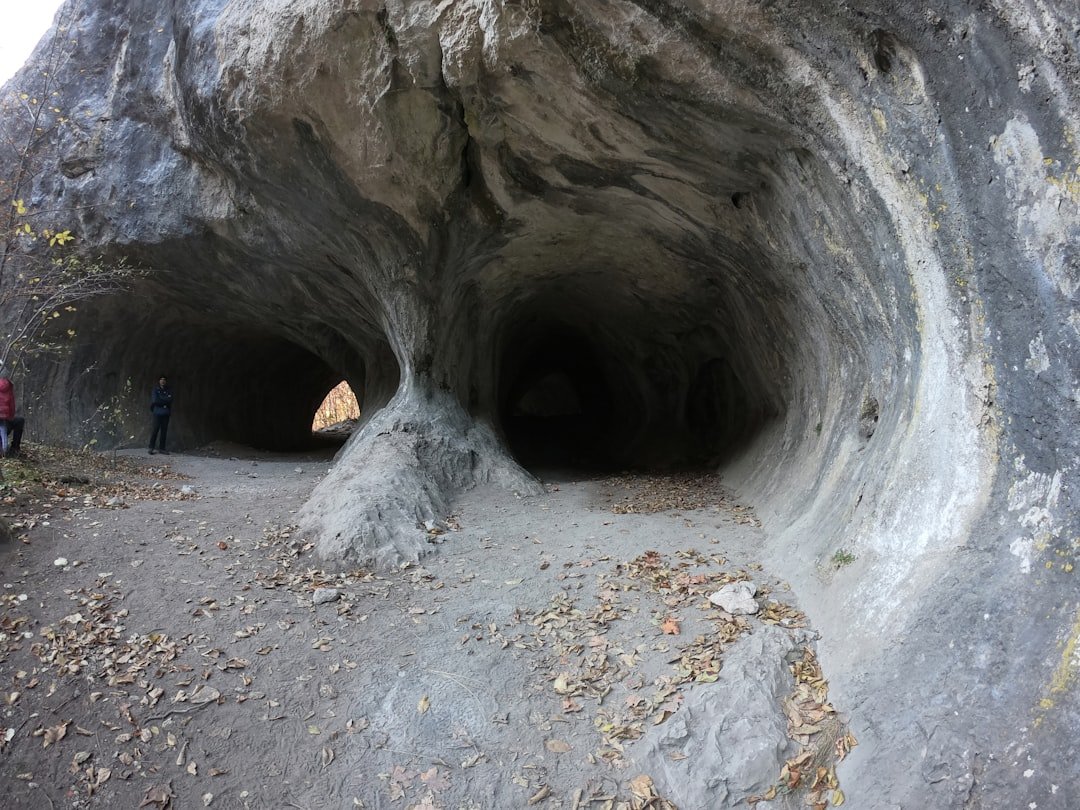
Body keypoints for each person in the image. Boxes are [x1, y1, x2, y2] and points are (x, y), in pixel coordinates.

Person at [148, 376, 173, 455]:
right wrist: (164, 401)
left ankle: (162, 448)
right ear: (159, 381)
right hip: (157, 413)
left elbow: (170, 400)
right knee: (155, 430)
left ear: (166, 381)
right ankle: (151, 447)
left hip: (166, 413)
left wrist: (161, 400)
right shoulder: (155, 389)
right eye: (161, 379)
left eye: (164, 379)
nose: (163, 381)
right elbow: (155, 400)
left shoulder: (169, 390)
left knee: (164, 431)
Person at [0, 375, 24, 457]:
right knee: (19, 420)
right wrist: (9, 416)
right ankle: (14, 449)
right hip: (5, 420)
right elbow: (12, 407)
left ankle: (7, 449)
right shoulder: (8, 387)